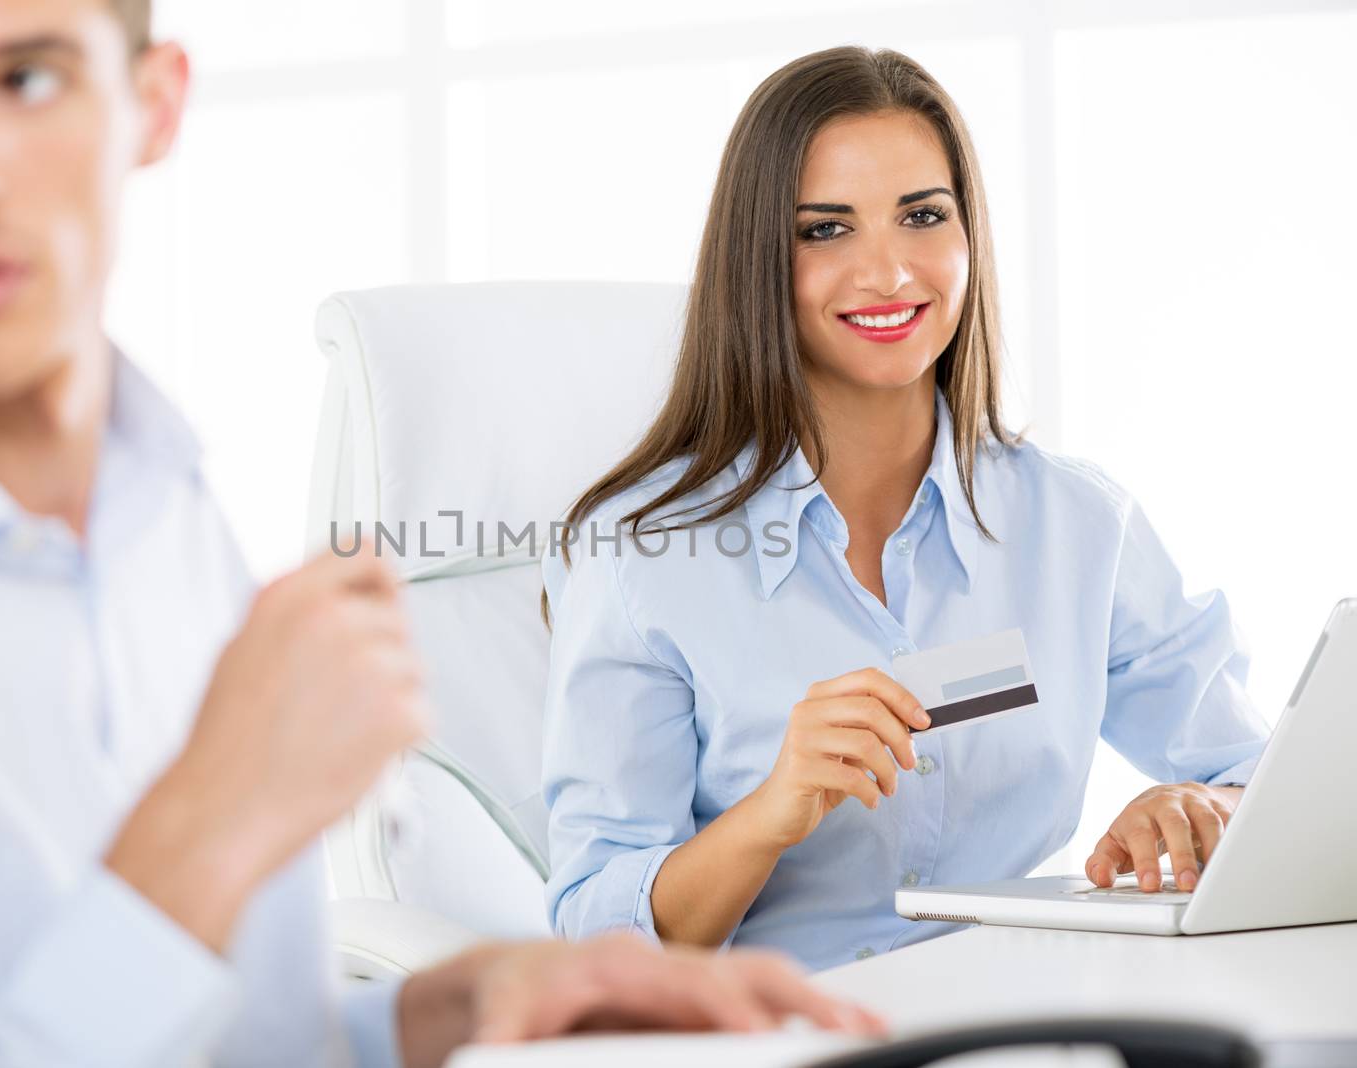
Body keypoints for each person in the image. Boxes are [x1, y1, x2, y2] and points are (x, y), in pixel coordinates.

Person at [0, 2, 883, 1064]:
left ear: (152, 104)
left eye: (26, 77)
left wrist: (455, 1008)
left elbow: (242, 1043)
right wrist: (212, 818)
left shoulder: (159, 509)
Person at [540, 46, 1270, 972]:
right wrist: (769, 816)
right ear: (759, 259)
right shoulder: (642, 558)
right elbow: (590, 929)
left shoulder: (1077, 527)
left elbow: (1272, 778)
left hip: (1021, 1017)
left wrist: (1205, 813)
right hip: (775, 1035)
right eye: (825, 229)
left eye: (922, 216)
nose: (887, 273)